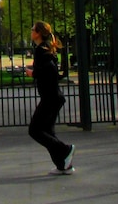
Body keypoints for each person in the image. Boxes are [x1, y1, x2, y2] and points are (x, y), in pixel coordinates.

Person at [25, 21, 76, 175]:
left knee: (35, 130)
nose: (31, 31)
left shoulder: (41, 50)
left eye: (33, 29)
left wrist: (33, 73)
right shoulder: (46, 48)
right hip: (53, 97)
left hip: (50, 98)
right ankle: (63, 165)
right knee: (48, 131)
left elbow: (50, 70)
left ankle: (65, 150)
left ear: (38, 33)